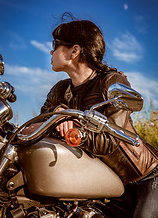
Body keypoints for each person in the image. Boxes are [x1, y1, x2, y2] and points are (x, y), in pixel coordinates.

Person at [39, 14, 158, 218]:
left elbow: (110, 141)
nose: (51, 51)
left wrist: (73, 128)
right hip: (105, 184)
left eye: (56, 45)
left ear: (75, 51)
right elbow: (40, 123)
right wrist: (57, 114)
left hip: (144, 179)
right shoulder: (60, 90)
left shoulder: (111, 82)